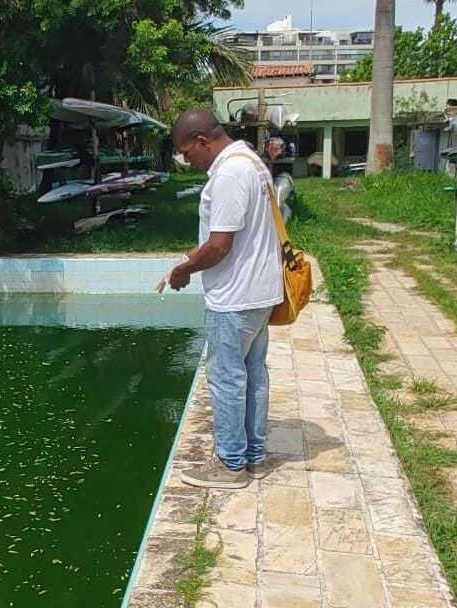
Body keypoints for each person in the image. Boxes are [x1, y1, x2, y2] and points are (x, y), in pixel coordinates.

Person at [168, 109, 282, 489]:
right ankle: (254, 457)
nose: (188, 161)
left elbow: (219, 247)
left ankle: (230, 464)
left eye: (188, 153)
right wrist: (196, 253)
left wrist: (185, 269)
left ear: (202, 141)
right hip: (259, 291)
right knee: (252, 376)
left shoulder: (231, 172)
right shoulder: (252, 161)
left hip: (234, 296)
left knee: (227, 378)